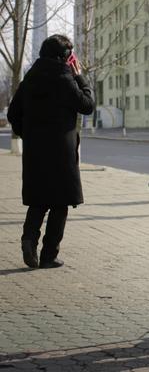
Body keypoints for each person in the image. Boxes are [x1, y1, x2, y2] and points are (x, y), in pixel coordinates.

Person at [7, 34, 94, 269]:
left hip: (35, 152)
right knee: (60, 203)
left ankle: (28, 239)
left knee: (39, 200)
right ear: (65, 57)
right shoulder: (65, 79)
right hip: (61, 154)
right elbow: (88, 105)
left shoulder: (30, 80)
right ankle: (48, 255)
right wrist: (79, 76)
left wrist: (29, 134)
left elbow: (13, 114)